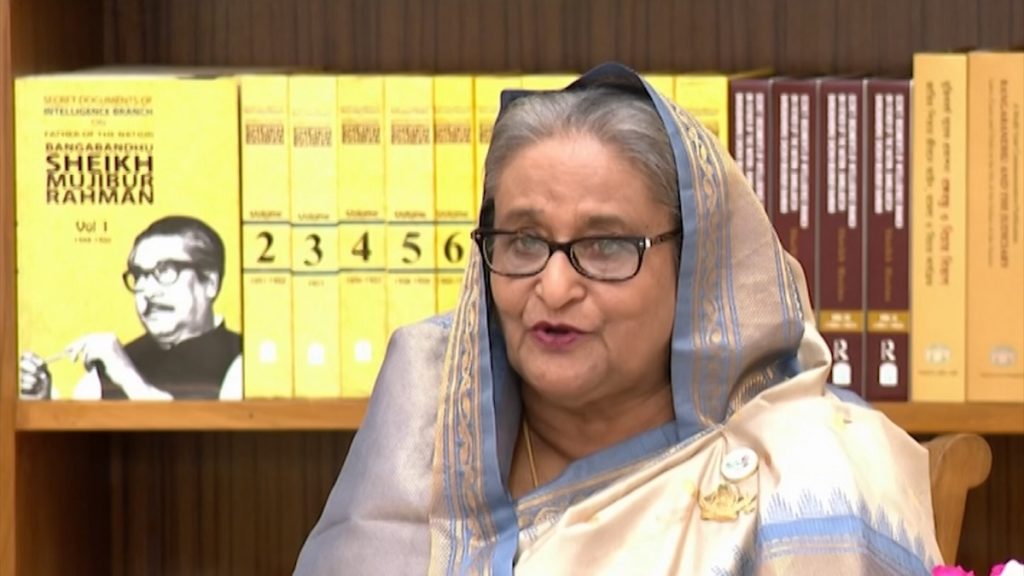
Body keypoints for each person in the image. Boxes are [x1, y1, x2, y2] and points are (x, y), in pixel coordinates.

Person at [294, 63, 941, 574]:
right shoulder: (428, 414)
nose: (553, 287)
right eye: (523, 240)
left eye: (605, 245)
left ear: (696, 269)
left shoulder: (805, 469)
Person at [19, 215, 242, 400]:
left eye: (165, 271)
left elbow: (196, 431)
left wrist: (126, 375)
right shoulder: (105, 372)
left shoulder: (243, 362)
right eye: (139, 275)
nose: (147, 290)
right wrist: (41, 402)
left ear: (209, 283)